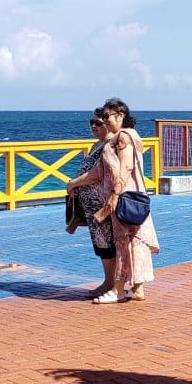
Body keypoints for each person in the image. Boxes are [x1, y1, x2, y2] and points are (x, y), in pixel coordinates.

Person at [72, 98, 160, 304]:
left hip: (124, 197)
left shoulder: (124, 137)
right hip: (130, 196)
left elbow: (126, 166)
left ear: (120, 116)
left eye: (106, 117)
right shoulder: (122, 137)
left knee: (123, 241)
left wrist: (115, 194)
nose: (103, 121)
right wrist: (76, 183)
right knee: (133, 240)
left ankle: (118, 290)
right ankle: (136, 288)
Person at [65, 108, 116, 299]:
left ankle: (112, 283)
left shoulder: (110, 145)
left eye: (98, 123)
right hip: (90, 205)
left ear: (108, 123)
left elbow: (99, 173)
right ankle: (107, 281)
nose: (93, 126)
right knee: (100, 243)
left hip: (101, 203)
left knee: (107, 243)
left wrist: (74, 183)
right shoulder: (97, 144)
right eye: (91, 122)